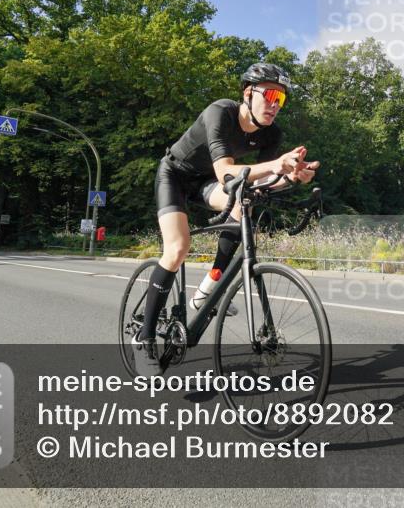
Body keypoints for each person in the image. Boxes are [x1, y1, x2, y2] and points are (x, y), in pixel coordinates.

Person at [132, 63, 320, 376]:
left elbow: (262, 182)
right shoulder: (220, 112)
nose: (275, 104)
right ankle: (145, 339)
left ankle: (207, 289)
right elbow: (225, 172)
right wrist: (277, 164)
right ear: (248, 93)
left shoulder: (271, 134)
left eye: (281, 99)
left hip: (207, 182)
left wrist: (292, 177)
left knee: (246, 202)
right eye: (270, 95)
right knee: (177, 248)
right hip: (175, 176)